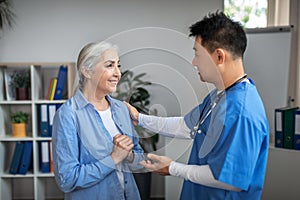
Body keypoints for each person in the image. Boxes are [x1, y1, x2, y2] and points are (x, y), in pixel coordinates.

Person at [125, 11, 269, 199]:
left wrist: (172, 168)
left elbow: (229, 181)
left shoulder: (241, 111)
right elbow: (187, 126)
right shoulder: (221, 96)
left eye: (197, 54)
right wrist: (140, 118)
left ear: (219, 57)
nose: (194, 62)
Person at [52, 41, 144, 200]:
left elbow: (140, 158)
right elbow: (67, 180)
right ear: (87, 71)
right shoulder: (68, 115)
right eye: (110, 65)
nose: (118, 73)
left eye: (118, 65)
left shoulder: (121, 109)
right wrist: (113, 158)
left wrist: (128, 155)